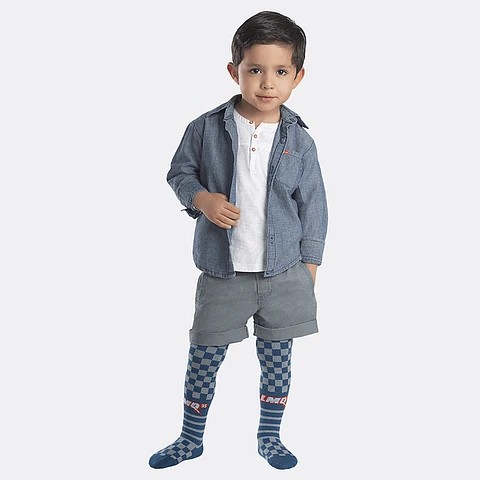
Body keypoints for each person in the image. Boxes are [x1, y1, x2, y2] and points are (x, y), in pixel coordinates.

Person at [149, 10, 328, 470]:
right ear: (235, 72)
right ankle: (190, 438)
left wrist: (309, 266)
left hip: (284, 273)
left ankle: (270, 437)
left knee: (277, 361)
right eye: (255, 70)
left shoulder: (300, 142)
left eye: (281, 71)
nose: (267, 83)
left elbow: (314, 205)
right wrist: (202, 199)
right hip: (222, 272)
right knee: (203, 357)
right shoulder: (206, 127)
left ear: (298, 77)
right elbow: (179, 172)